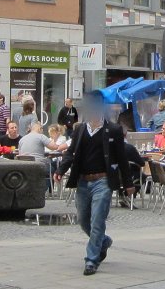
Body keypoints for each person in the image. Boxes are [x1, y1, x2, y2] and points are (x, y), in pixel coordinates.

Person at [55, 90, 134, 276]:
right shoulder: (80, 129)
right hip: (83, 180)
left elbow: (122, 158)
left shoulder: (113, 130)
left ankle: (91, 260)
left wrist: (128, 183)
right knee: (83, 220)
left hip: (103, 181)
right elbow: (70, 153)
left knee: (97, 219)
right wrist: (60, 170)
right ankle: (104, 242)